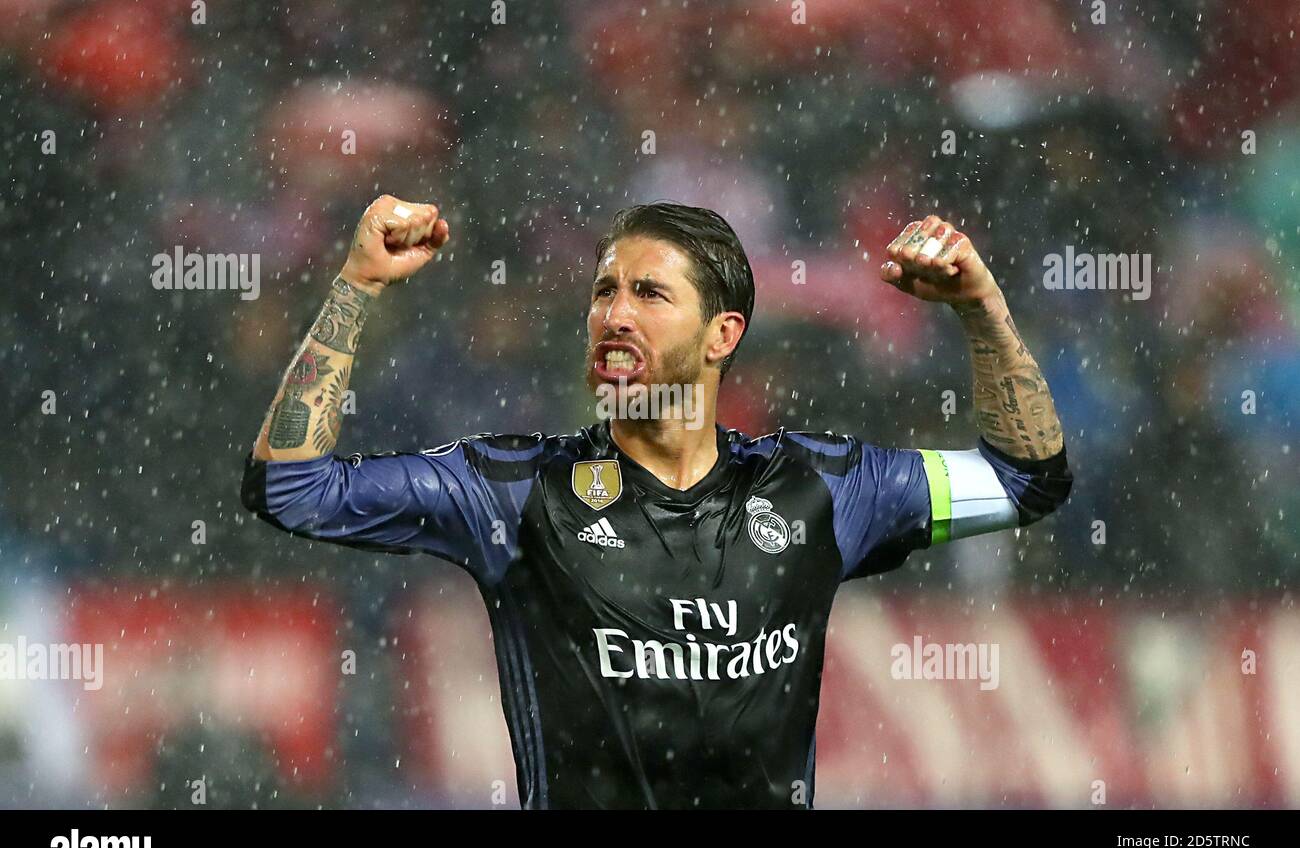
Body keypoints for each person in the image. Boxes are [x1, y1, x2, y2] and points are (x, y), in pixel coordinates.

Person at [241, 196, 1072, 809]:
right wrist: (356, 286)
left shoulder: (822, 489)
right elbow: (290, 487)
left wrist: (981, 309)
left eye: (649, 294)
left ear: (722, 335)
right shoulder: (516, 489)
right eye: (605, 292)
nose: (614, 314)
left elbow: (1028, 479)